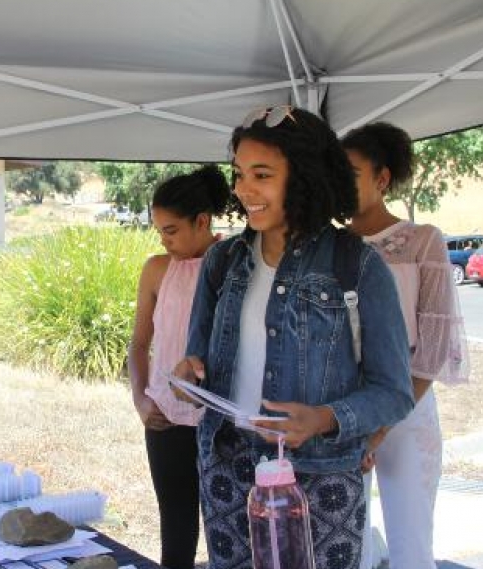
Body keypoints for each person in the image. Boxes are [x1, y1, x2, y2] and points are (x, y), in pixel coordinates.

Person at [172, 106, 414, 569]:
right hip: (228, 469)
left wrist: (324, 418)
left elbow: (395, 392)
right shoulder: (223, 262)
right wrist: (189, 372)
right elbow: (196, 358)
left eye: (261, 175)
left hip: (320, 478)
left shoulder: (357, 265)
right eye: (240, 174)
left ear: (305, 177)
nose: (244, 190)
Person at [343, 122, 469, 569]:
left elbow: (433, 346)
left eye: (351, 172)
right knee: (344, 539)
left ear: (381, 178)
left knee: (411, 542)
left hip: (408, 405)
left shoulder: (422, 241)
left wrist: (383, 424)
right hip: (343, 409)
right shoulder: (327, 245)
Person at [128, 165, 232, 569]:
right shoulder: (157, 269)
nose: (163, 240)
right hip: (166, 421)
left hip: (222, 423)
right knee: (176, 535)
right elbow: (138, 344)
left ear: (202, 221)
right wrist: (140, 398)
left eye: (171, 230)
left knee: (229, 532)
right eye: (159, 231)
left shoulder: (233, 263)